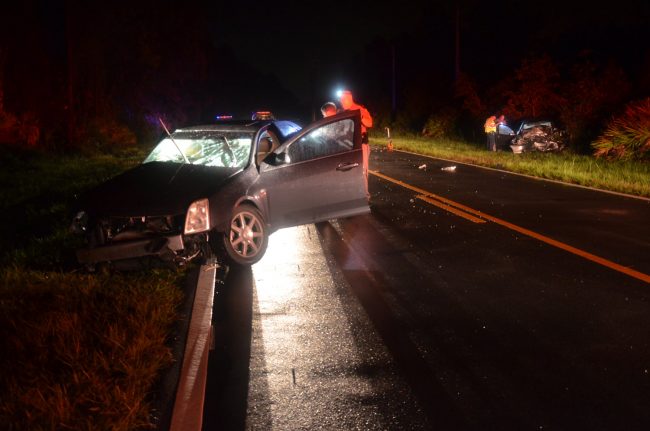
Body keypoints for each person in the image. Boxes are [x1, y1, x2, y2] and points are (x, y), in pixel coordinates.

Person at [339, 90, 373, 200]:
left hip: (360, 145)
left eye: (343, 100)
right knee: (347, 171)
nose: (341, 102)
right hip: (346, 146)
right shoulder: (341, 112)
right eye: (341, 100)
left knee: (362, 171)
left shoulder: (360, 109)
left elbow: (370, 123)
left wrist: (360, 116)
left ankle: (365, 196)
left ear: (349, 99)